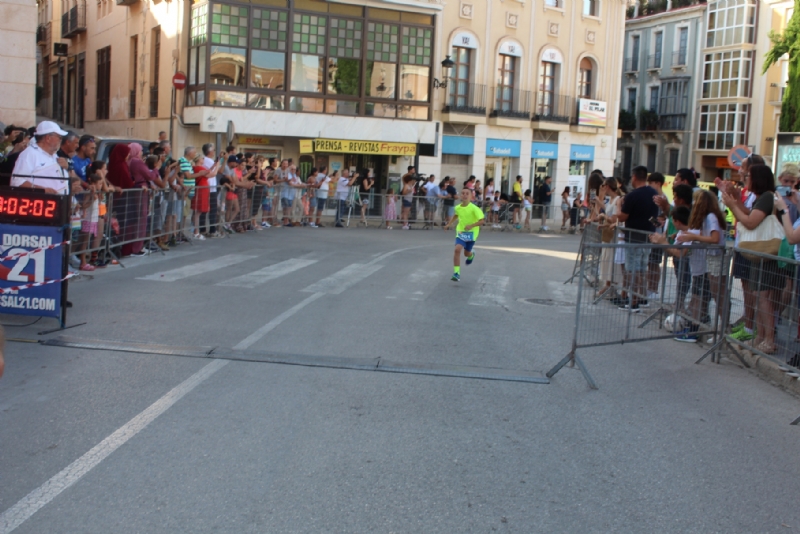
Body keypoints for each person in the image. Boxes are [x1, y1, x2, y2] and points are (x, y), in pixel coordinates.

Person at [722, 163, 781, 354]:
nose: (745, 179)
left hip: (767, 254)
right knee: (761, 296)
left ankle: (768, 339)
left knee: (764, 298)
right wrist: (737, 200)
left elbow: (749, 221)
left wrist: (732, 205)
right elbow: (748, 214)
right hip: (761, 255)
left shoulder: (766, 197)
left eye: (748, 176)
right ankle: (762, 336)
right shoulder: (761, 197)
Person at [606, 165, 659, 312]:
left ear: (635, 177)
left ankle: (633, 302)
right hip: (648, 236)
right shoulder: (653, 193)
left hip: (633, 237)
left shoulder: (632, 196)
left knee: (633, 270)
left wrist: (618, 206)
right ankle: (641, 298)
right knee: (642, 268)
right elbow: (655, 217)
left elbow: (622, 216)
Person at [11, 121, 70, 194]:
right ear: (48, 138)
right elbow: (16, 181)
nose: (61, 140)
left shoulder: (55, 156)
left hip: (61, 202)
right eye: (59, 137)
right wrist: (42, 190)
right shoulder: (29, 154)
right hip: (41, 202)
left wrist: (67, 167)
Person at [445, 188, 485, 282]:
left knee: (466, 253)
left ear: (471, 196)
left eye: (467, 193)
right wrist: (449, 224)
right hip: (461, 232)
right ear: (460, 196)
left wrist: (472, 225)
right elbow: (456, 214)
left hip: (472, 233)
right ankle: (456, 273)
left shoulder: (474, 208)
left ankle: (471, 255)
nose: (465, 195)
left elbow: (482, 221)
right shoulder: (458, 207)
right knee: (457, 249)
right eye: (463, 193)